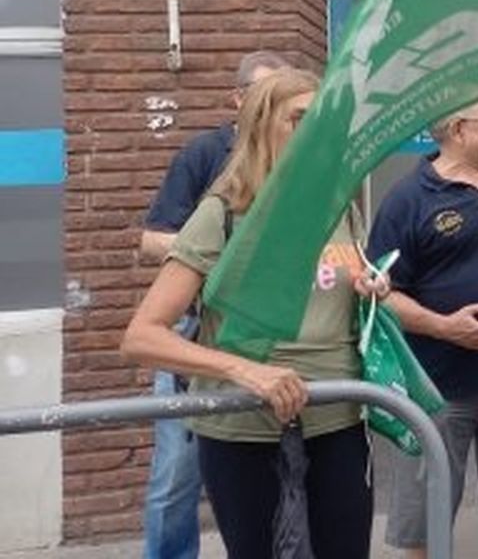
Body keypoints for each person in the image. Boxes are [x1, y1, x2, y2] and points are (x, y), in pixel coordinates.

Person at [123, 68, 383, 559]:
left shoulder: (338, 207)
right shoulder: (222, 213)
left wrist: (371, 287)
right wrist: (246, 371)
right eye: (298, 119)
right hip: (243, 427)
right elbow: (142, 336)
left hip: (340, 420)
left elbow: (342, 287)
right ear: (262, 125)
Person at [368, 94, 478, 559]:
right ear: (457, 130)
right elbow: (378, 295)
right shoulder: (407, 201)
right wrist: (442, 327)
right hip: (438, 389)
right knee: (426, 520)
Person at [136, 50, 289, 559]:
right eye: (266, 98)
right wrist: (219, 253)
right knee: (175, 481)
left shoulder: (295, 162)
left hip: (263, 337)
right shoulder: (204, 154)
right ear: (239, 100)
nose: (276, 111)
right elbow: (153, 239)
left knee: (257, 479)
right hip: (195, 330)